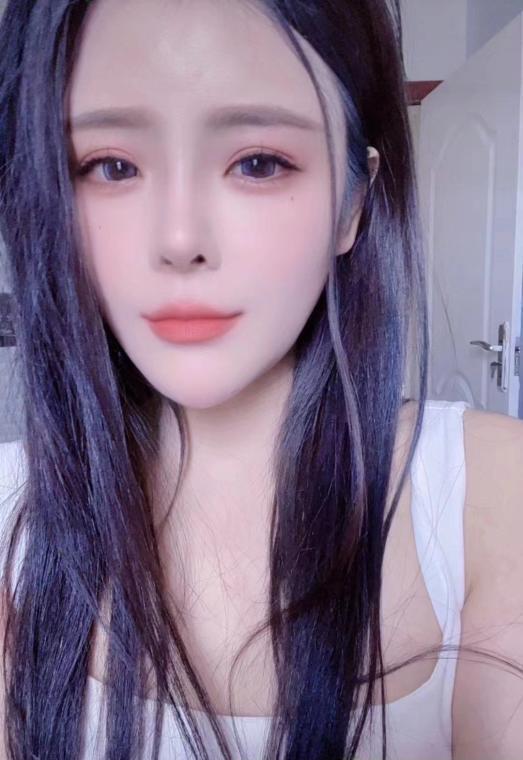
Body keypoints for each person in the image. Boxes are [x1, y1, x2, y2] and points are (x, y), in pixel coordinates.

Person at [0, 0, 522, 758]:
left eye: (258, 163)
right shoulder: (11, 511)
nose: (180, 239)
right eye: (111, 166)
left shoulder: (494, 493)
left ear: (354, 204)